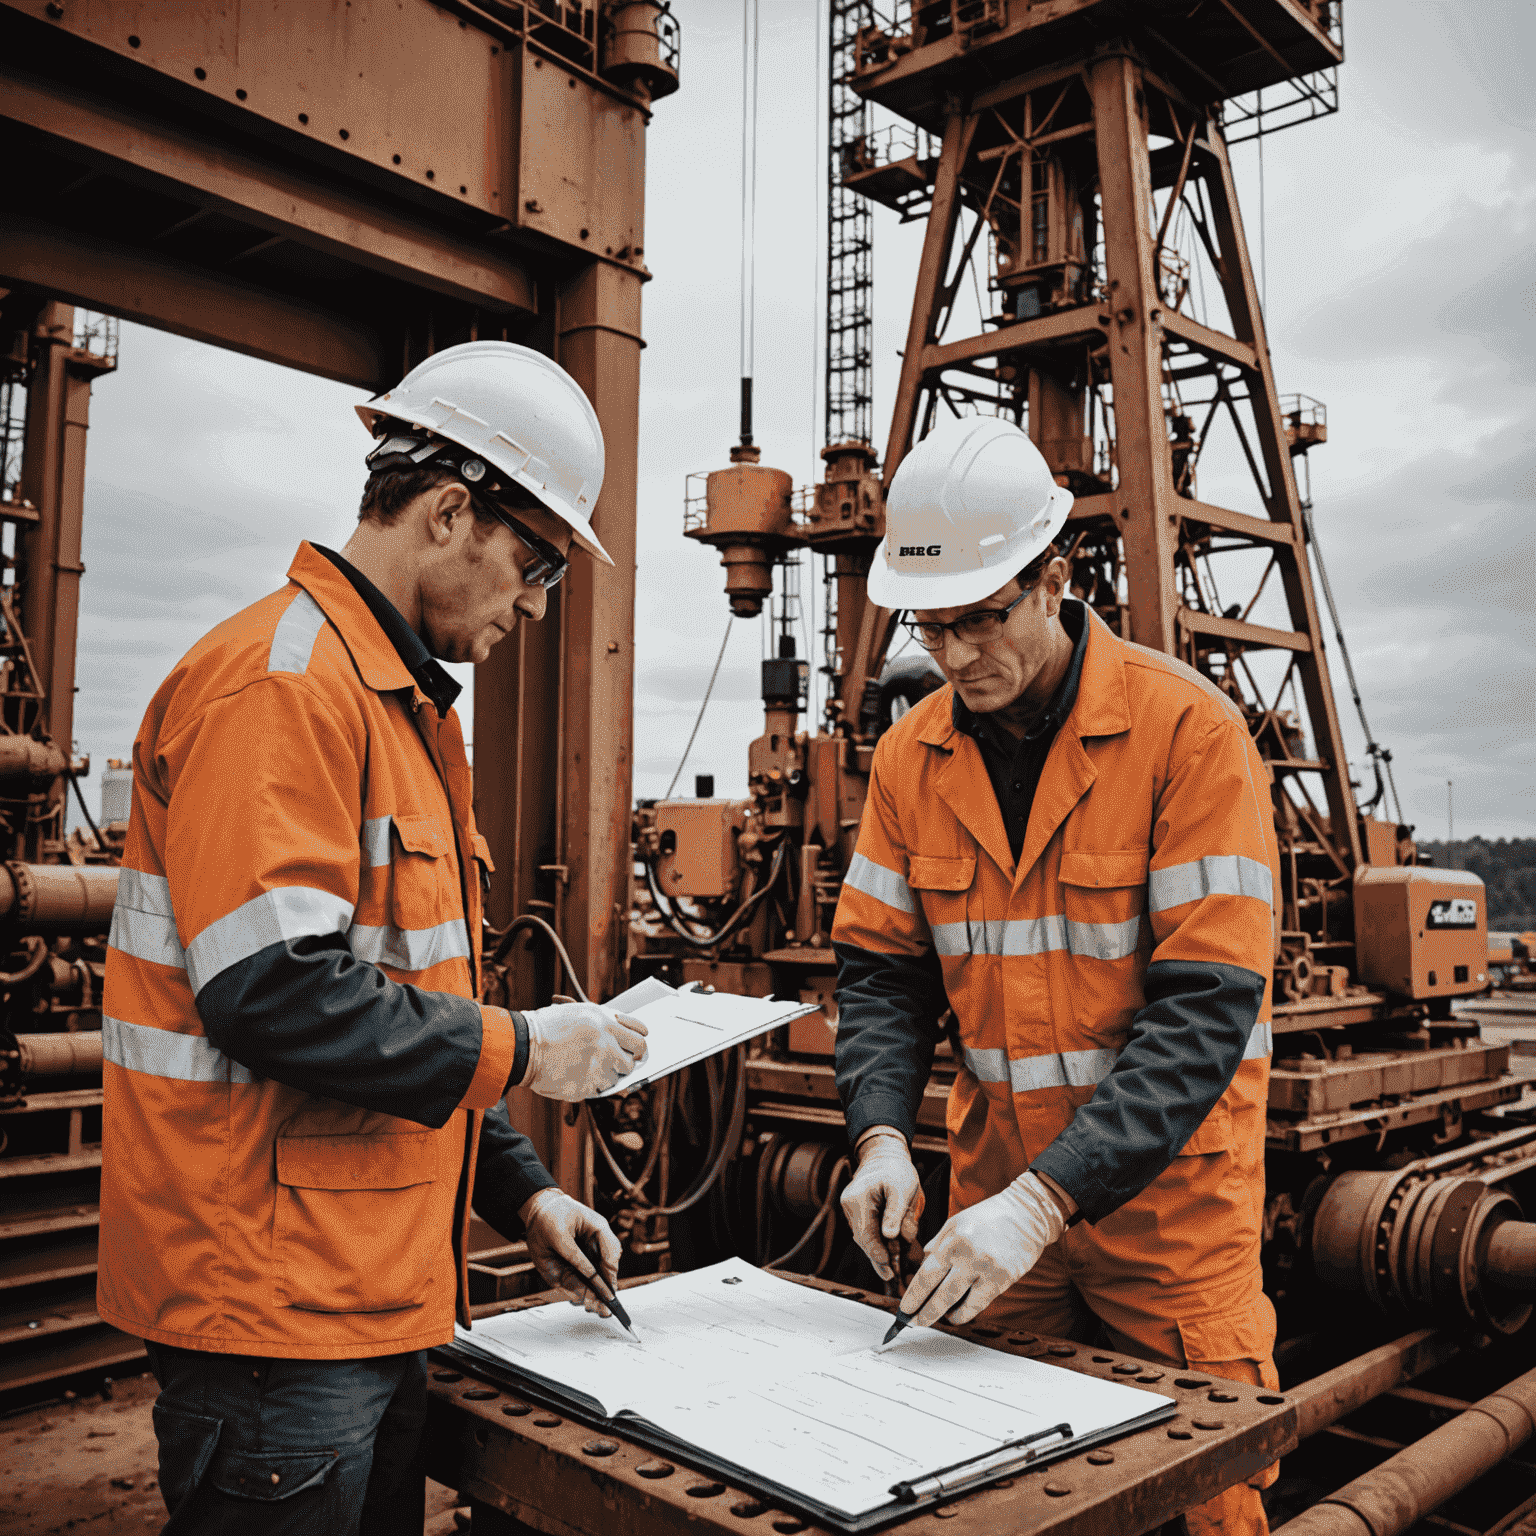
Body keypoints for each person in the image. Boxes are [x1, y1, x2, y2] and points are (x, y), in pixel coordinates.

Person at [99, 342, 646, 1535]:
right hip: (271, 1323)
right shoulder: (284, 688)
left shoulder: (393, 708)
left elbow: (409, 999)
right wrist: (533, 1049)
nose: (539, 601)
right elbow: (274, 995)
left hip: (366, 1300)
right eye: (536, 559)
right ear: (451, 512)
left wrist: (526, 1193)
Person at [833, 415, 1281, 1536]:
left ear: (1056, 577)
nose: (962, 654)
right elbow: (884, 976)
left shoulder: (1189, 735)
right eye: (935, 628)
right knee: (985, 1498)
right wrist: (881, 1136)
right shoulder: (909, 755)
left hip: (1168, 1225)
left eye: (985, 618)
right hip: (996, 1210)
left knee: (1204, 1505)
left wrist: (1044, 1202)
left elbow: (1203, 1014)